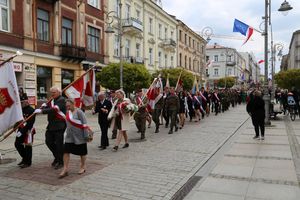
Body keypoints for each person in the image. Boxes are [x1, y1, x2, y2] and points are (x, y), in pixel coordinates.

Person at [34, 86, 66, 170]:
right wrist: (44, 106)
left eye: (54, 92)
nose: (52, 94)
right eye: (51, 92)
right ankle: (57, 156)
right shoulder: (51, 100)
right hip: (51, 125)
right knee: (48, 141)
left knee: (59, 144)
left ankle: (61, 161)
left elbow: (54, 109)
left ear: (59, 92)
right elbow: (49, 108)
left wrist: (42, 111)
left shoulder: (62, 100)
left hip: (59, 125)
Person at [58, 99, 89, 178]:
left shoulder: (79, 112)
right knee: (66, 151)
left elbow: (85, 124)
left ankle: (83, 167)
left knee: (82, 153)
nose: (67, 107)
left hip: (80, 136)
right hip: (69, 136)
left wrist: (86, 136)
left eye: (69, 105)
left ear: (73, 104)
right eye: (67, 106)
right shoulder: (67, 112)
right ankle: (65, 169)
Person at [15, 94, 36, 168]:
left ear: (27, 101)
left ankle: (28, 162)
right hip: (21, 129)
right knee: (17, 144)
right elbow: (18, 120)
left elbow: (30, 123)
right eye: (20, 102)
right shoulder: (20, 109)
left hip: (28, 130)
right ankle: (24, 158)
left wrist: (22, 131)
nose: (21, 104)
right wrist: (15, 127)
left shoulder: (32, 110)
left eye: (22, 102)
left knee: (28, 146)